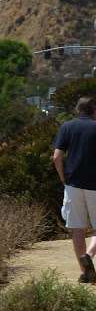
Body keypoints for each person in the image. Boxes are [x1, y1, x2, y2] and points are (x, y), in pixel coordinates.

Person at [53, 96, 96, 283]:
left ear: (78, 110)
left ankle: (85, 271)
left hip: (73, 185)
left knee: (77, 229)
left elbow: (56, 157)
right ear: (93, 110)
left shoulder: (67, 127)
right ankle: (89, 254)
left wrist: (64, 180)